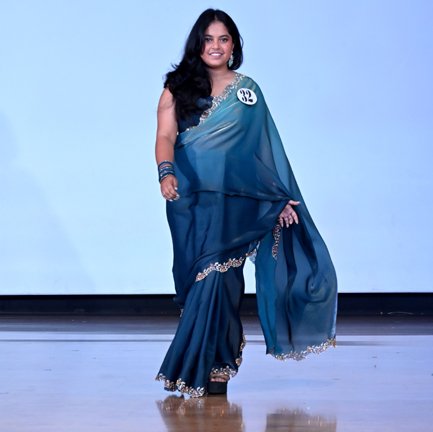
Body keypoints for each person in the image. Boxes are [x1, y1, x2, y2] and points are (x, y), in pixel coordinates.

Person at [155, 9, 337, 398]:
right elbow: (166, 136)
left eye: (223, 39)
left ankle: (216, 368)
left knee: (222, 281)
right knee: (195, 279)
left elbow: (261, 153)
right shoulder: (177, 88)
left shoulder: (246, 91)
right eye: (208, 39)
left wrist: (276, 199)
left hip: (235, 204)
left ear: (234, 45)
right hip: (191, 201)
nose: (216, 46)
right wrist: (165, 173)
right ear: (197, 44)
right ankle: (197, 363)